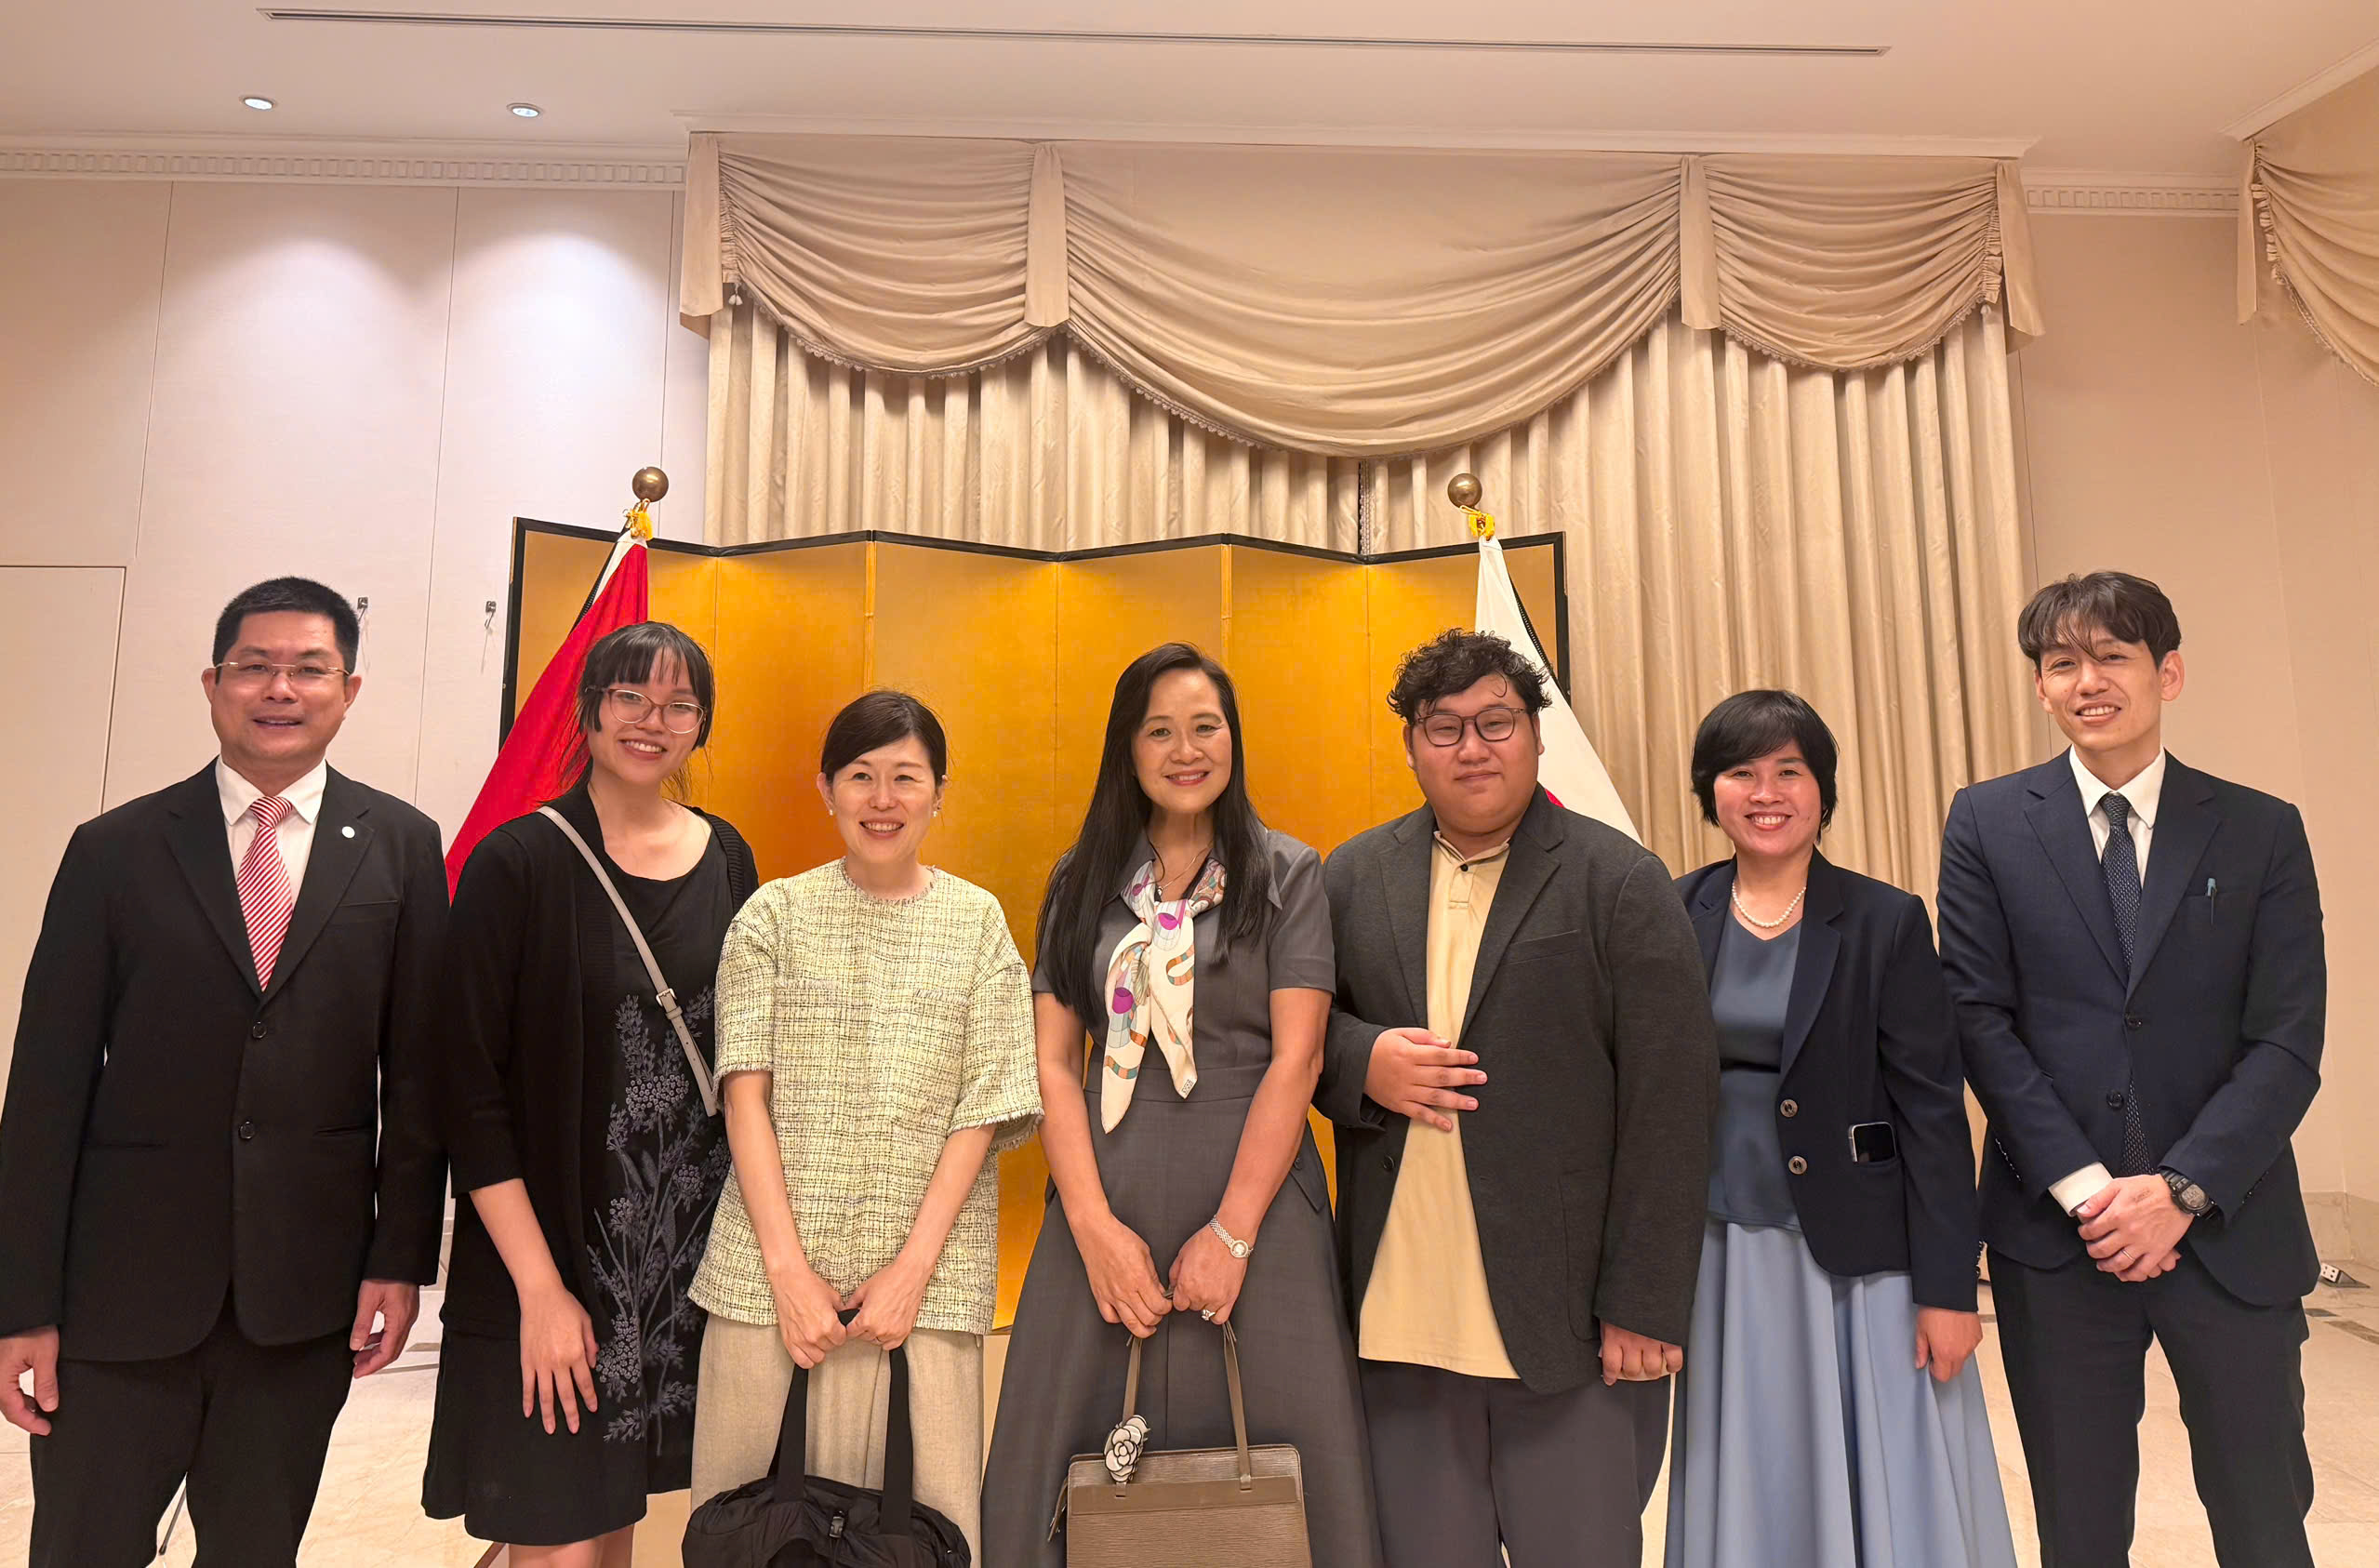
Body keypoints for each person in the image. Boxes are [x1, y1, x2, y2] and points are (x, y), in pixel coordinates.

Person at [0, 577, 446, 1567]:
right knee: (81, 1548)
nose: (279, 689)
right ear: (213, 684)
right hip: (117, 1295)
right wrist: (22, 1301)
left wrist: (398, 1258)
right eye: (254, 666)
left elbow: (419, 1078)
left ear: (349, 690)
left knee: (254, 1551)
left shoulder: (403, 848)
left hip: (302, 1296)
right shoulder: (115, 850)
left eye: (308, 669)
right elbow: (45, 1088)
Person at [1937, 571, 2326, 1568]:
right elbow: (1978, 1021)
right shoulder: (1986, 822)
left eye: (2111, 656)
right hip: (2056, 1239)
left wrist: (2180, 1189)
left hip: (2228, 1229)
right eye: (2061, 663)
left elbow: (2287, 1040)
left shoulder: (2259, 828)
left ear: (2168, 673)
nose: (2087, 681)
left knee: (2263, 1519)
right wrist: (2088, 1192)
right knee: (2078, 1529)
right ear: (2039, 687)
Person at [1315, 628, 1716, 1568]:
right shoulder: (1352, 875)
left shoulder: (1619, 878)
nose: (1472, 747)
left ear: (1535, 735)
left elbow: (1672, 1105)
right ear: (1411, 746)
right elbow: (1295, 1033)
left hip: (1567, 1330)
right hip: (1399, 1325)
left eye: (1495, 722)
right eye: (1443, 727)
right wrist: (1362, 1059)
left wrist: (1644, 1302)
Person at [983, 644, 1382, 1568]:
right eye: (1159, 731)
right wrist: (1092, 1228)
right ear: (1126, 748)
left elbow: (1298, 1059)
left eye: (1205, 727)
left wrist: (1231, 1235)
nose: (1186, 749)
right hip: (1103, 1189)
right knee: (1060, 1454)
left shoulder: (1286, 873)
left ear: (1233, 738)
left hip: (1257, 1196)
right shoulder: (1079, 879)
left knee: (1282, 1455)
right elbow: (1055, 1063)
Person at [424, 621, 758, 1566]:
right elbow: (467, 1093)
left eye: (679, 705)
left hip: (679, 1271)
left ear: (702, 725)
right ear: (588, 709)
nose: (653, 721)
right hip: (552, 1265)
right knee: (557, 1534)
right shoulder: (517, 861)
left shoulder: (728, 858)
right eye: (630, 697)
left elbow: (745, 1057)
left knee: (613, 1527)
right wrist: (539, 1291)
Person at [1666, 690, 2014, 1568]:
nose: (1766, 792)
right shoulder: (1673, 912)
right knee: (1751, 1461)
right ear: (1710, 792)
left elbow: (1933, 1114)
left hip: (1859, 1256)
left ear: (1823, 790)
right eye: (1741, 772)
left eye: (1790, 771)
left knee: (1884, 1469)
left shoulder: (1883, 919)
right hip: (1719, 1247)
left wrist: (1949, 1290)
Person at [687, 690, 1040, 1558]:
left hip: (927, 1290)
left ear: (939, 793)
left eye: (906, 778)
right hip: (766, 1284)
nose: (883, 800)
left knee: (919, 1540)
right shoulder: (772, 916)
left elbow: (984, 1110)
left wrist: (911, 1272)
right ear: (826, 789)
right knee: (751, 1538)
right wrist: (787, 1275)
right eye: (860, 776)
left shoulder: (977, 923)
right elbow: (744, 1097)